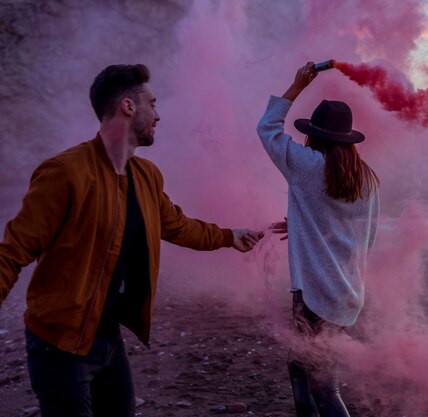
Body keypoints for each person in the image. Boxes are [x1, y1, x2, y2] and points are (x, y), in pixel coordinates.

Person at [0, 64, 264, 417]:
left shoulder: (147, 175)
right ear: (127, 106)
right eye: (152, 104)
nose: (158, 115)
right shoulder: (65, 172)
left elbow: (175, 225)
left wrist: (229, 237)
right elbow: (13, 250)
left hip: (107, 337)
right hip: (59, 343)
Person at [257, 62, 379, 417]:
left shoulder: (306, 164)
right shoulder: (366, 179)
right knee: (302, 369)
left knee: (324, 386)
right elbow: (359, 236)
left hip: (313, 294)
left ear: (315, 135)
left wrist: (296, 85)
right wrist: (299, 224)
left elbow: (267, 127)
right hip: (346, 294)